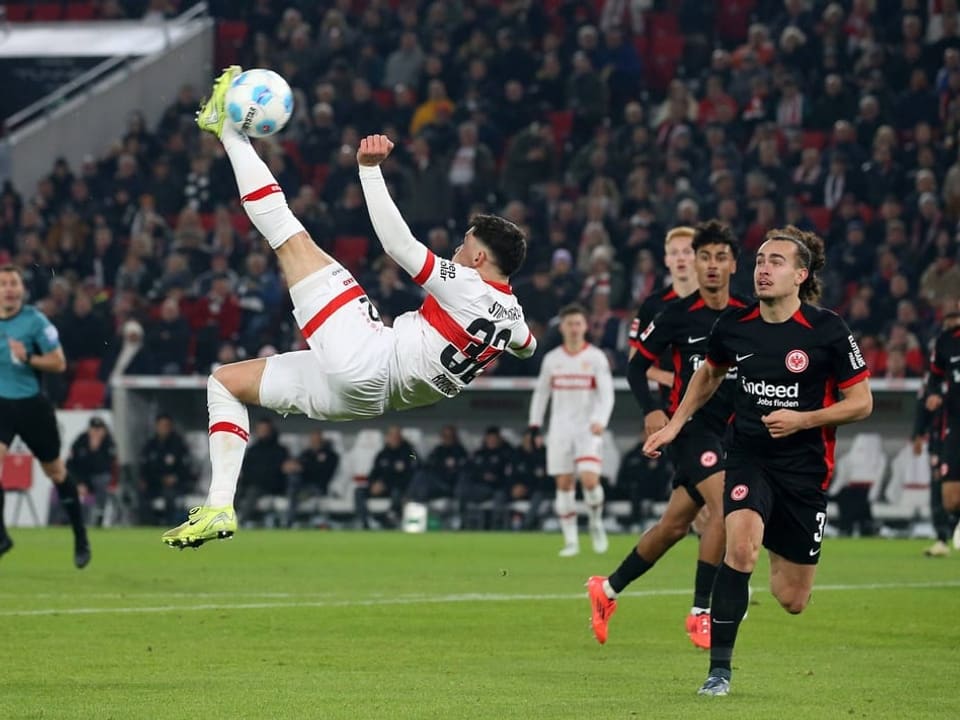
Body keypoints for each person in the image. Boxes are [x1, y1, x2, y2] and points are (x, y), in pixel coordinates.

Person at [163, 67, 535, 549]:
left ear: (481, 258)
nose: (458, 253)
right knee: (226, 383)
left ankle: (228, 131)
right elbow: (528, 347)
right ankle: (218, 506)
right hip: (366, 399)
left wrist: (369, 169)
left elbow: (398, 245)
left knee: (290, 237)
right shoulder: (515, 321)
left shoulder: (467, 284)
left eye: (464, 246)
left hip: (367, 357)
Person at [640, 225, 873, 696]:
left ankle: (769, 539)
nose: (763, 270)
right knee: (739, 545)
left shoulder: (827, 329)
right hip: (747, 456)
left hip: (804, 470)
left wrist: (804, 419)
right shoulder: (735, 325)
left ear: (800, 275)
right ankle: (718, 672)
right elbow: (709, 374)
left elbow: (861, 402)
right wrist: (674, 424)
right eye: (761, 261)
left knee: (792, 599)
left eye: (776, 262)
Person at [587, 220, 745, 648]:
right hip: (691, 427)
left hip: (734, 433)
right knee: (726, 510)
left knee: (675, 526)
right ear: (694, 263)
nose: (711, 265)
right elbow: (637, 365)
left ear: (733, 264)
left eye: (720, 257)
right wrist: (653, 410)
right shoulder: (675, 313)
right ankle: (701, 612)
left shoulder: (748, 313)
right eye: (704, 257)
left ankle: (608, 589)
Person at [0, 265, 90, 568]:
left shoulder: (35, 322)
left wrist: (30, 358)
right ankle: (1, 536)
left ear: (21, 290)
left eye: (14, 283)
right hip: (1, 405)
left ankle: (80, 536)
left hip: (31, 406)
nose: (9, 288)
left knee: (56, 472)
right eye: (3, 284)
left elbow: (59, 362)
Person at [529, 303, 615, 556]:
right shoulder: (552, 359)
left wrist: (601, 420)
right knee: (564, 483)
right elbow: (541, 394)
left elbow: (607, 395)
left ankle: (596, 523)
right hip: (559, 429)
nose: (574, 328)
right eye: (570, 324)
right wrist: (534, 426)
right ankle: (571, 541)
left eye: (578, 323)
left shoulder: (596, 358)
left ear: (585, 326)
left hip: (588, 428)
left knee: (589, 480)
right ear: (562, 327)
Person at [913, 312, 960, 556]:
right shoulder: (946, 342)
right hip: (954, 425)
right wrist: (933, 392)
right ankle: (944, 535)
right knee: (950, 498)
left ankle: (945, 537)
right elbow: (933, 378)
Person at [355, 425, 417, 529]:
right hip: (380, 488)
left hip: (398, 488)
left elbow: (412, 472)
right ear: (387, 437)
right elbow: (373, 473)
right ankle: (365, 522)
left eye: (397, 436)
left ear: (401, 437)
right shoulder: (382, 454)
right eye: (391, 435)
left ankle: (390, 521)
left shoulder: (409, 452)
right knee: (359, 491)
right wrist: (373, 485)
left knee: (397, 492)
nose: (394, 438)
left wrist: (386, 484)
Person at [139, 414, 194, 526]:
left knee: (170, 495)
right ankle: (146, 525)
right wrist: (144, 479)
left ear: (170, 427)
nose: (163, 428)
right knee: (141, 495)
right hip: (154, 483)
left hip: (174, 485)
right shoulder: (151, 445)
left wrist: (175, 478)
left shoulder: (177, 444)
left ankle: (169, 526)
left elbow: (186, 468)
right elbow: (145, 467)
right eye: (160, 425)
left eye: (166, 426)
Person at [66, 417, 117, 527]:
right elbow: (70, 465)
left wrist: (95, 450)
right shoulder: (81, 440)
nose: (96, 433)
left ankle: (99, 515)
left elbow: (105, 467)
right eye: (94, 429)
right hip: (81, 478)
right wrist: (78, 483)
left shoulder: (108, 443)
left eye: (99, 430)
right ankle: (66, 519)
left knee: (102, 480)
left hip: (99, 479)